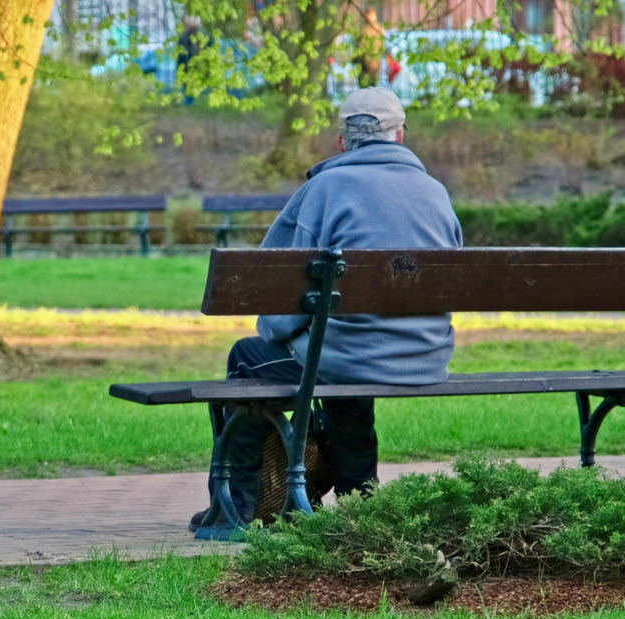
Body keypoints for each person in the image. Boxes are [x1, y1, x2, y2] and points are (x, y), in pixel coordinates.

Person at [191, 87, 464, 530]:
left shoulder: (324, 189)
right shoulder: (436, 192)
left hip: (349, 357)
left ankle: (235, 505)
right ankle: (362, 499)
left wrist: (279, 334)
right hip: (423, 357)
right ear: (400, 136)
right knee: (341, 360)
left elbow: (278, 291)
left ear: (342, 140)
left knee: (250, 356)